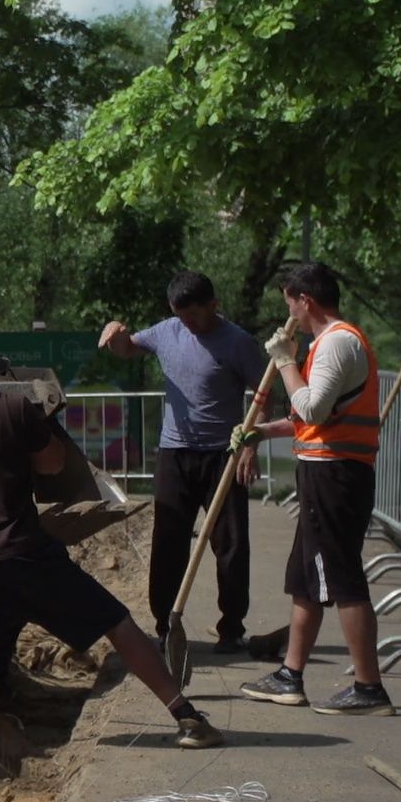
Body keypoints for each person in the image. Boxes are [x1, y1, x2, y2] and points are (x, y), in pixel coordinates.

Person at [0, 324, 225, 802]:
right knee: (117, 622)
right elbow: (53, 464)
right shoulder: (16, 409)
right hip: (29, 557)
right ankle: (186, 716)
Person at [240, 263, 393, 716]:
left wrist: (286, 360)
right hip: (323, 472)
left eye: (290, 303)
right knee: (306, 579)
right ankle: (290, 675)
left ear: (305, 300)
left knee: (342, 577)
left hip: (336, 476)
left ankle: (368, 687)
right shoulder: (327, 345)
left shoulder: (337, 343)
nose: (289, 313)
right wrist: (259, 431)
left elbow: (313, 409)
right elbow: (306, 417)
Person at [99, 271, 269, 654]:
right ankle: (166, 625)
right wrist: (115, 332)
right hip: (174, 454)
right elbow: (126, 349)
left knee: (230, 544)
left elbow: (264, 396)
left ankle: (231, 628)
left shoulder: (238, 342)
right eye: (180, 316)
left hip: (223, 455)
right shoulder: (167, 331)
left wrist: (250, 445)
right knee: (168, 542)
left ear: (213, 305)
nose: (187, 324)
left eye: (193, 315)